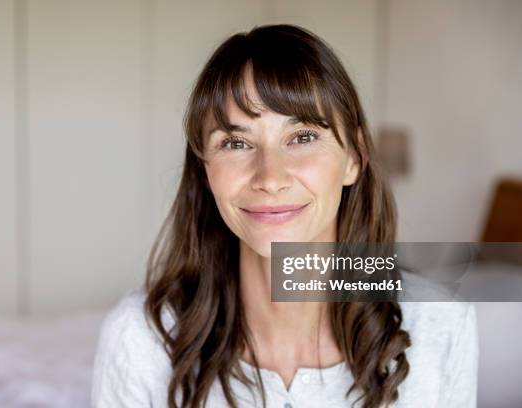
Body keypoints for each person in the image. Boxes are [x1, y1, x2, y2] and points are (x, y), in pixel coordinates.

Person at [91, 24, 478, 408]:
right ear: (205, 170)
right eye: (236, 142)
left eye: (303, 137)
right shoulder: (140, 338)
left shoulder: (440, 327)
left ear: (354, 159)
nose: (270, 178)